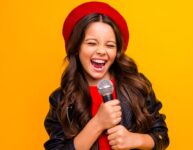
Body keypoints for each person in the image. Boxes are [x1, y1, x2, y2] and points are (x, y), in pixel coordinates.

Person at [44, 1, 169, 150]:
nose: (101, 51)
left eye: (110, 45)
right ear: (77, 47)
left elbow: (162, 136)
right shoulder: (61, 100)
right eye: (92, 43)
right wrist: (98, 123)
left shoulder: (136, 85)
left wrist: (135, 139)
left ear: (117, 52)